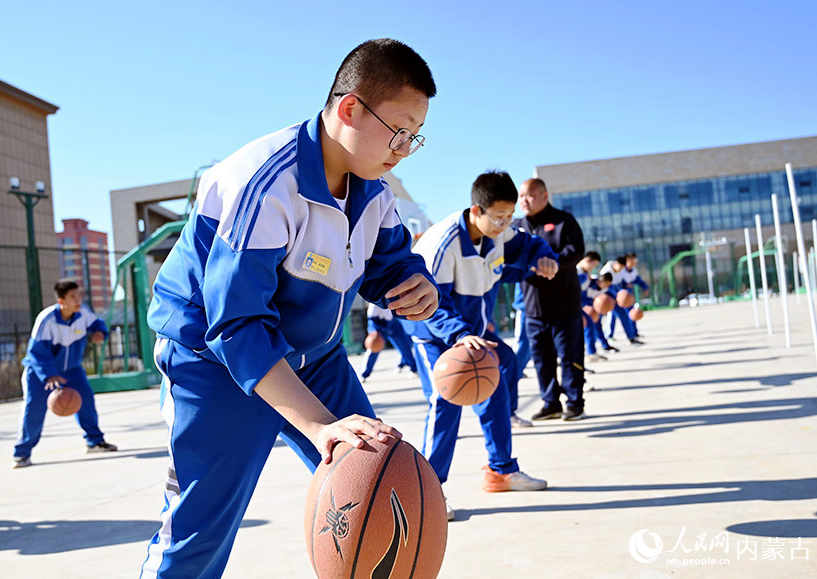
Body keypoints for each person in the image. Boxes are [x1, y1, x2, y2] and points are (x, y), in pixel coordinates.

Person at [139, 39, 440, 578]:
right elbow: (234, 325)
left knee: (383, 494)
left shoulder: (374, 191)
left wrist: (415, 282)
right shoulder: (263, 181)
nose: (404, 147)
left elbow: (389, 261)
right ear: (349, 109)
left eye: (414, 136)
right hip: (215, 364)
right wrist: (322, 425)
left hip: (315, 357)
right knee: (196, 537)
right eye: (399, 130)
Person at [404, 170, 559, 520]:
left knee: (497, 383)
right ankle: (430, 492)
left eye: (509, 216)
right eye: (499, 217)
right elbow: (430, 303)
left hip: (473, 334)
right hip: (432, 333)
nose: (506, 223)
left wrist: (544, 256)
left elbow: (531, 244)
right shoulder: (441, 244)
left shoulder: (500, 234)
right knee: (445, 399)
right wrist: (459, 333)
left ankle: (501, 470)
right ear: (477, 211)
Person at [12, 280, 116, 468]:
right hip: (40, 371)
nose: (78, 300)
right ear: (61, 301)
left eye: (79, 295)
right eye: (73, 297)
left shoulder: (83, 313)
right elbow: (36, 352)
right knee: (34, 407)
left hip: (72, 370)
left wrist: (100, 333)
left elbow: (97, 323)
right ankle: (22, 453)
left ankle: (94, 441)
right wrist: (49, 374)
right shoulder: (46, 320)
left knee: (86, 401)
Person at [513, 178, 588, 421]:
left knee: (569, 356)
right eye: (521, 195)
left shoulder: (563, 221)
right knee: (541, 359)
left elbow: (576, 250)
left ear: (544, 196)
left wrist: (554, 262)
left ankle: (575, 402)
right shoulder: (515, 227)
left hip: (565, 304)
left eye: (530, 195)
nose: (524, 200)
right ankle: (551, 403)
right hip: (533, 307)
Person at [359, 303, 417, 380]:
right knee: (374, 347)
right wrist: (373, 330)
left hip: (393, 322)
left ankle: (412, 368)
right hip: (379, 324)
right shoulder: (374, 302)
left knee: (404, 346)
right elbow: (371, 319)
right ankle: (364, 373)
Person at [601, 256, 643, 345]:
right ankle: (606, 339)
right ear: (616, 264)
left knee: (620, 315)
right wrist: (617, 296)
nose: (620, 269)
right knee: (597, 320)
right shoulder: (606, 271)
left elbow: (621, 283)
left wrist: (625, 292)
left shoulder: (620, 271)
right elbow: (606, 286)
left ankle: (630, 337)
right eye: (620, 267)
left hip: (616, 297)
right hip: (607, 298)